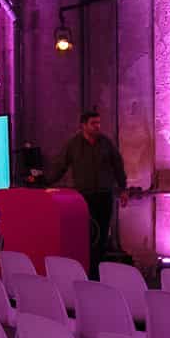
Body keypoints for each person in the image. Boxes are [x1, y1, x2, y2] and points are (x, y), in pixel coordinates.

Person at [29, 108, 128, 270]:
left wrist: (123, 189)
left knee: (102, 235)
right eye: (93, 123)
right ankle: (84, 269)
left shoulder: (106, 143)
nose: (97, 126)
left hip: (104, 195)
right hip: (83, 197)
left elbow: (118, 166)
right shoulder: (73, 144)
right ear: (83, 125)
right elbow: (60, 166)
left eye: (99, 123)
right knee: (86, 235)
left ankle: (98, 271)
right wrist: (44, 183)